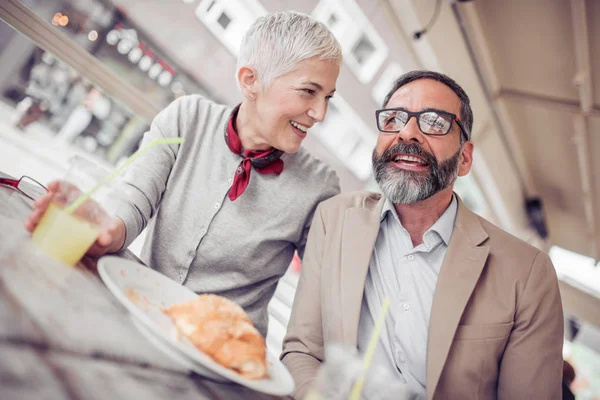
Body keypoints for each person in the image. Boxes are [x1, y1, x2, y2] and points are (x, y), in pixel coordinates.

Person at [25, 11, 342, 337]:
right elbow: (133, 202)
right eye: (308, 92)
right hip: (140, 313)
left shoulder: (321, 187)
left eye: (328, 97)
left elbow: (327, 297)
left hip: (223, 356)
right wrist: (105, 228)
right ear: (250, 80)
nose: (320, 113)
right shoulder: (187, 116)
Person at [281, 70, 564, 399]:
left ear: (465, 158)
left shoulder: (527, 273)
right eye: (394, 118)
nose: (407, 132)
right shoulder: (335, 219)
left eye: (434, 121)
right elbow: (302, 351)